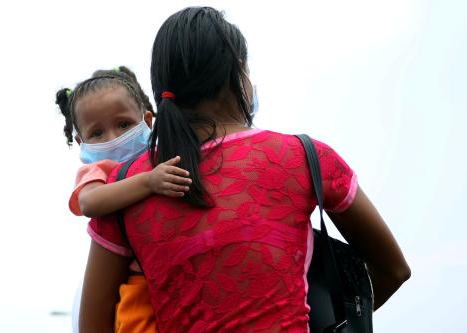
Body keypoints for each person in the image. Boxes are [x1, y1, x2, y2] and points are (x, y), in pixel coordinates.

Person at [80, 7, 411, 333]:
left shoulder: (127, 187)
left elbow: (93, 326)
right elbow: (393, 271)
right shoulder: (305, 157)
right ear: (237, 73)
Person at [56, 66, 192, 332]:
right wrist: (148, 181)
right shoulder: (98, 170)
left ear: (148, 121)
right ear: (80, 141)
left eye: (123, 124)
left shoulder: (160, 157)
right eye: (97, 133)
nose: (113, 138)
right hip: (137, 281)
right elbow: (89, 202)